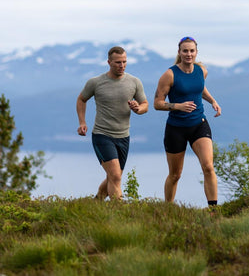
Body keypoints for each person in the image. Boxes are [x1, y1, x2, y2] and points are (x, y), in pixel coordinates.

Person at [154, 36, 221, 208]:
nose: (188, 54)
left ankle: (213, 210)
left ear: (196, 52)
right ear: (179, 52)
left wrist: (212, 100)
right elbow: (157, 103)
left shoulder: (201, 71)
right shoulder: (169, 75)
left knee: (208, 167)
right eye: (185, 51)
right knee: (175, 174)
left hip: (199, 124)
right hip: (176, 129)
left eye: (192, 51)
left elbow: (199, 88)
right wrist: (178, 106)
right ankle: (168, 208)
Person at [76, 46, 148, 200]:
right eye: (117, 62)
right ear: (109, 62)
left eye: (124, 62)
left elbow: (145, 105)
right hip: (102, 135)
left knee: (113, 177)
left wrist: (138, 109)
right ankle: (120, 211)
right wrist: (82, 122)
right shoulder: (96, 82)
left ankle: (96, 203)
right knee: (115, 175)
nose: (121, 65)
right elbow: (81, 99)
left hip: (123, 136)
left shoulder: (134, 82)